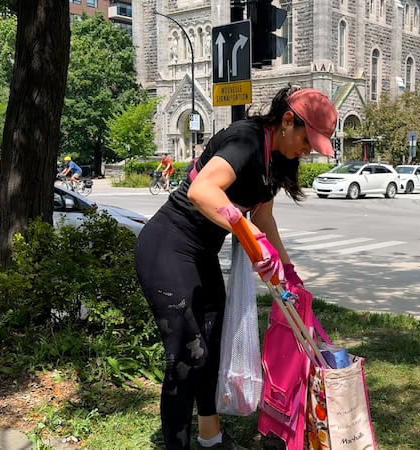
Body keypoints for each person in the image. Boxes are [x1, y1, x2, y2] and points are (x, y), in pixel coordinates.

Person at [133, 85, 338, 450]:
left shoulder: (276, 159)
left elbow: (264, 218)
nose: (308, 151)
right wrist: (249, 235)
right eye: (308, 141)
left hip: (202, 254)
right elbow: (202, 191)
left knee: (212, 347)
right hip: (168, 246)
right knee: (187, 355)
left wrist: (288, 271)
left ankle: (211, 439)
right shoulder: (246, 139)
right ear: (287, 120)